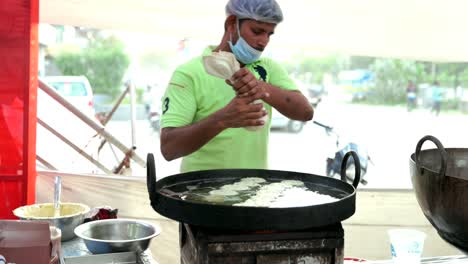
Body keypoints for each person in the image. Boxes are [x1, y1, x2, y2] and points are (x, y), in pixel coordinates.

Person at [159, 0, 314, 173]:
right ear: (231, 23)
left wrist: (262, 88)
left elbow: (306, 113)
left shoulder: (267, 68)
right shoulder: (189, 73)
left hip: (253, 193)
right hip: (201, 193)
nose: (263, 42)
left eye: (269, 34)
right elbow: (169, 148)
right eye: (257, 31)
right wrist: (223, 119)